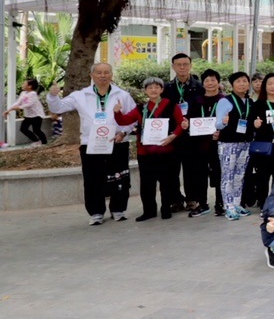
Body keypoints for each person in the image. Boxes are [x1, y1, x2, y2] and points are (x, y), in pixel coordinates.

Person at [47, 63, 138, 225]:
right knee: (92, 179)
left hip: (116, 142)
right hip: (90, 143)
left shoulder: (122, 95)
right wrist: (53, 96)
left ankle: (118, 209)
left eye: (106, 72)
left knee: (119, 177)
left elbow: (133, 118)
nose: (103, 76)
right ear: (91, 75)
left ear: (111, 75)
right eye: (99, 73)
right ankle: (96, 212)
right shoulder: (81, 95)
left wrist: (123, 133)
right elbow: (58, 107)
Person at [113, 77, 186, 221]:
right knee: (147, 184)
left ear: (162, 89)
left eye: (157, 87)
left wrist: (173, 136)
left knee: (167, 182)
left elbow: (181, 124)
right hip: (145, 152)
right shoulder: (141, 108)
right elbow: (124, 121)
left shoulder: (171, 105)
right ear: (145, 91)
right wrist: (117, 112)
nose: (153, 90)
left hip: (166, 150)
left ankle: (166, 208)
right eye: (150, 88)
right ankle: (149, 210)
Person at [244, 74, 274, 210]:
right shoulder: (258, 104)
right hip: (264, 147)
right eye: (269, 83)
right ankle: (263, 204)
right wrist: (255, 125)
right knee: (263, 177)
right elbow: (249, 126)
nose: (273, 86)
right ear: (264, 86)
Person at [186, 69, 225, 217]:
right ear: (202, 84)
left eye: (213, 80)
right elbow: (189, 120)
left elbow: (230, 121)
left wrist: (222, 132)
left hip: (219, 144)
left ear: (218, 82)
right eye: (207, 80)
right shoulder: (196, 101)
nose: (210, 83)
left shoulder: (225, 101)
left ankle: (220, 204)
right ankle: (202, 204)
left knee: (219, 174)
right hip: (199, 144)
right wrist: (186, 125)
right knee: (199, 175)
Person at [4, 78, 47, 144]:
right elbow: (18, 102)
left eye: (24, 84)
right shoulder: (23, 93)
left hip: (37, 115)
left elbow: (29, 104)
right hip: (28, 115)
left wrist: (20, 107)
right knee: (23, 129)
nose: (22, 85)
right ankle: (36, 141)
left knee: (36, 130)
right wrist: (9, 110)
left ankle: (44, 143)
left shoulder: (33, 94)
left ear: (30, 86)